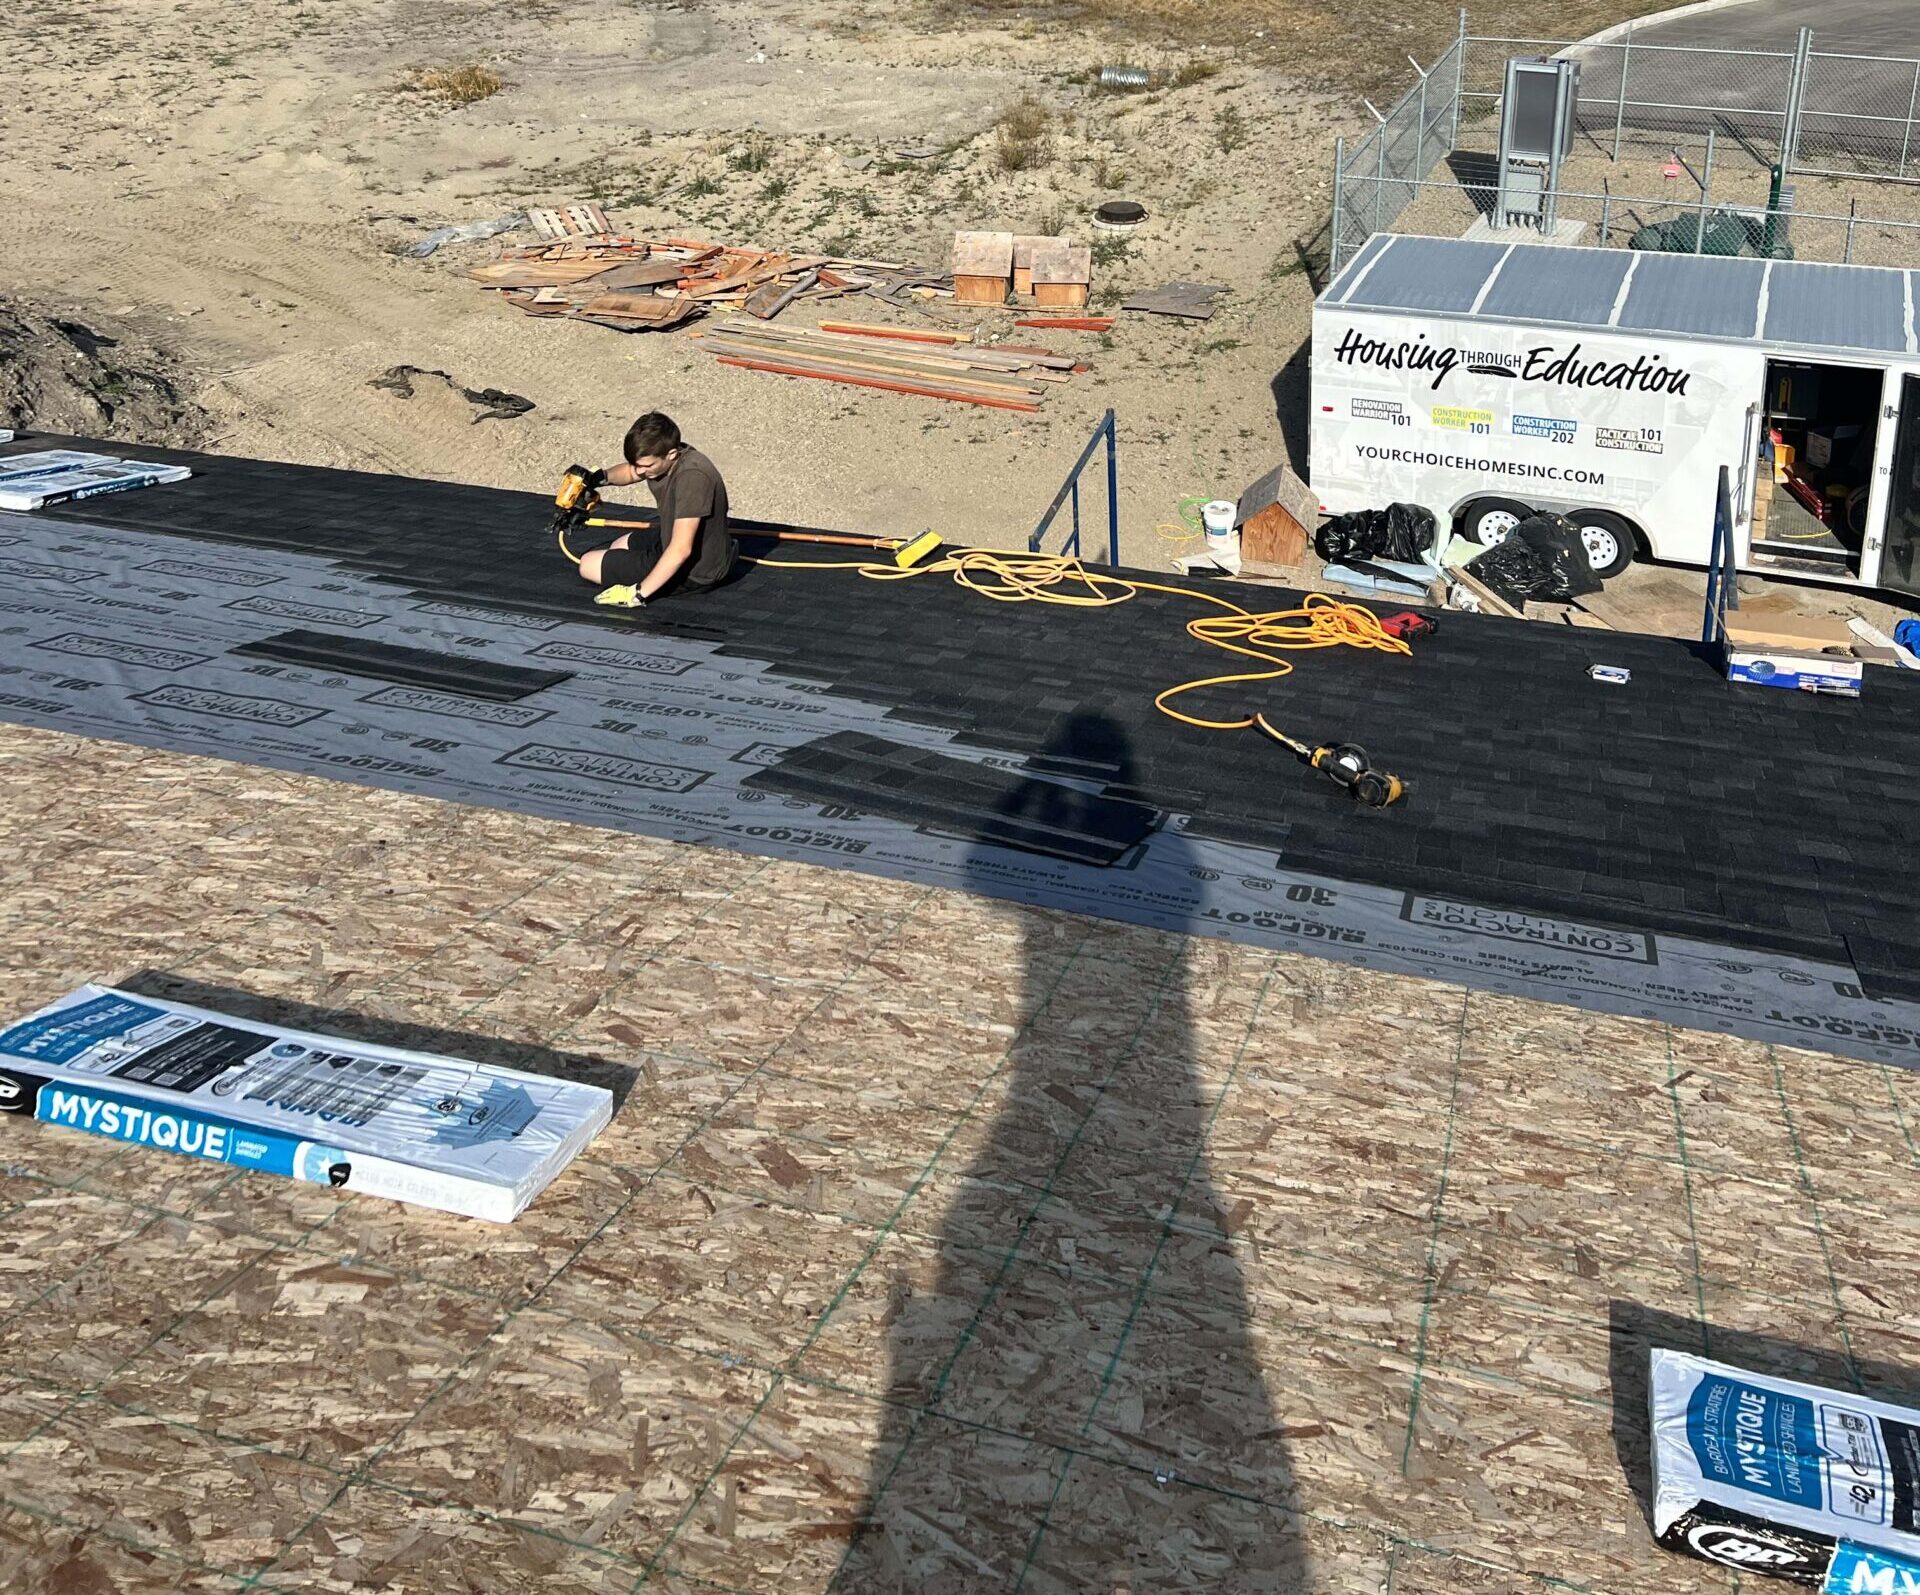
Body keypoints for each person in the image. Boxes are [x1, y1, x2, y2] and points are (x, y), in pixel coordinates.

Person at [576, 412, 736, 606]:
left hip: (696, 570)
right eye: (637, 464)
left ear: (671, 454)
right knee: (618, 545)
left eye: (646, 466)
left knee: (587, 565)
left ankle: (653, 581)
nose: (640, 471)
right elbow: (630, 472)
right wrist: (598, 478)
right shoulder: (668, 457)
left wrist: (638, 594)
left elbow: (680, 550)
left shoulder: (693, 478)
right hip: (671, 539)